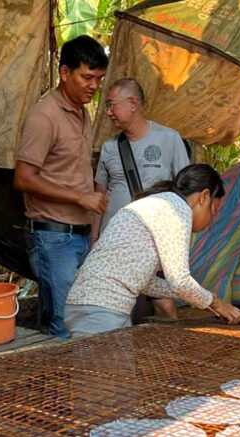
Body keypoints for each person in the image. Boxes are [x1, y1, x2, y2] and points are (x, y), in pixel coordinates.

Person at [64, 164, 240, 337]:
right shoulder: (177, 209)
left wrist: (200, 298)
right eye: (214, 210)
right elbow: (179, 281)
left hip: (84, 304)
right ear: (204, 197)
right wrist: (216, 303)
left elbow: (147, 282)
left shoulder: (158, 203)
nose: (211, 220)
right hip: (103, 309)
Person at [13, 35, 109, 338]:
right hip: (53, 238)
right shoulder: (44, 117)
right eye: (87, 77)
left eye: (99, 79)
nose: (94, 85)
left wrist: (91, 224)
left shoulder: (83, 112)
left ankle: (75, 384)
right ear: (65, 73)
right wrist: (80, 197)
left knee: (79, 319)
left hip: (78, 236)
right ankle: (62, 385)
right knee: (65, 325)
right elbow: (23, 179)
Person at [92, 78, 190, 319]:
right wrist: (94, 239)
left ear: (133, 103)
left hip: (155, 243)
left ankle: (171, 354)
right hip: (116, 243)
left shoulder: (170, 139)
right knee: (119, 307)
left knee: (165, 306)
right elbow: (98, 197)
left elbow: (186, 194)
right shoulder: (109, 147)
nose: (108, 112)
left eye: (112, 105)